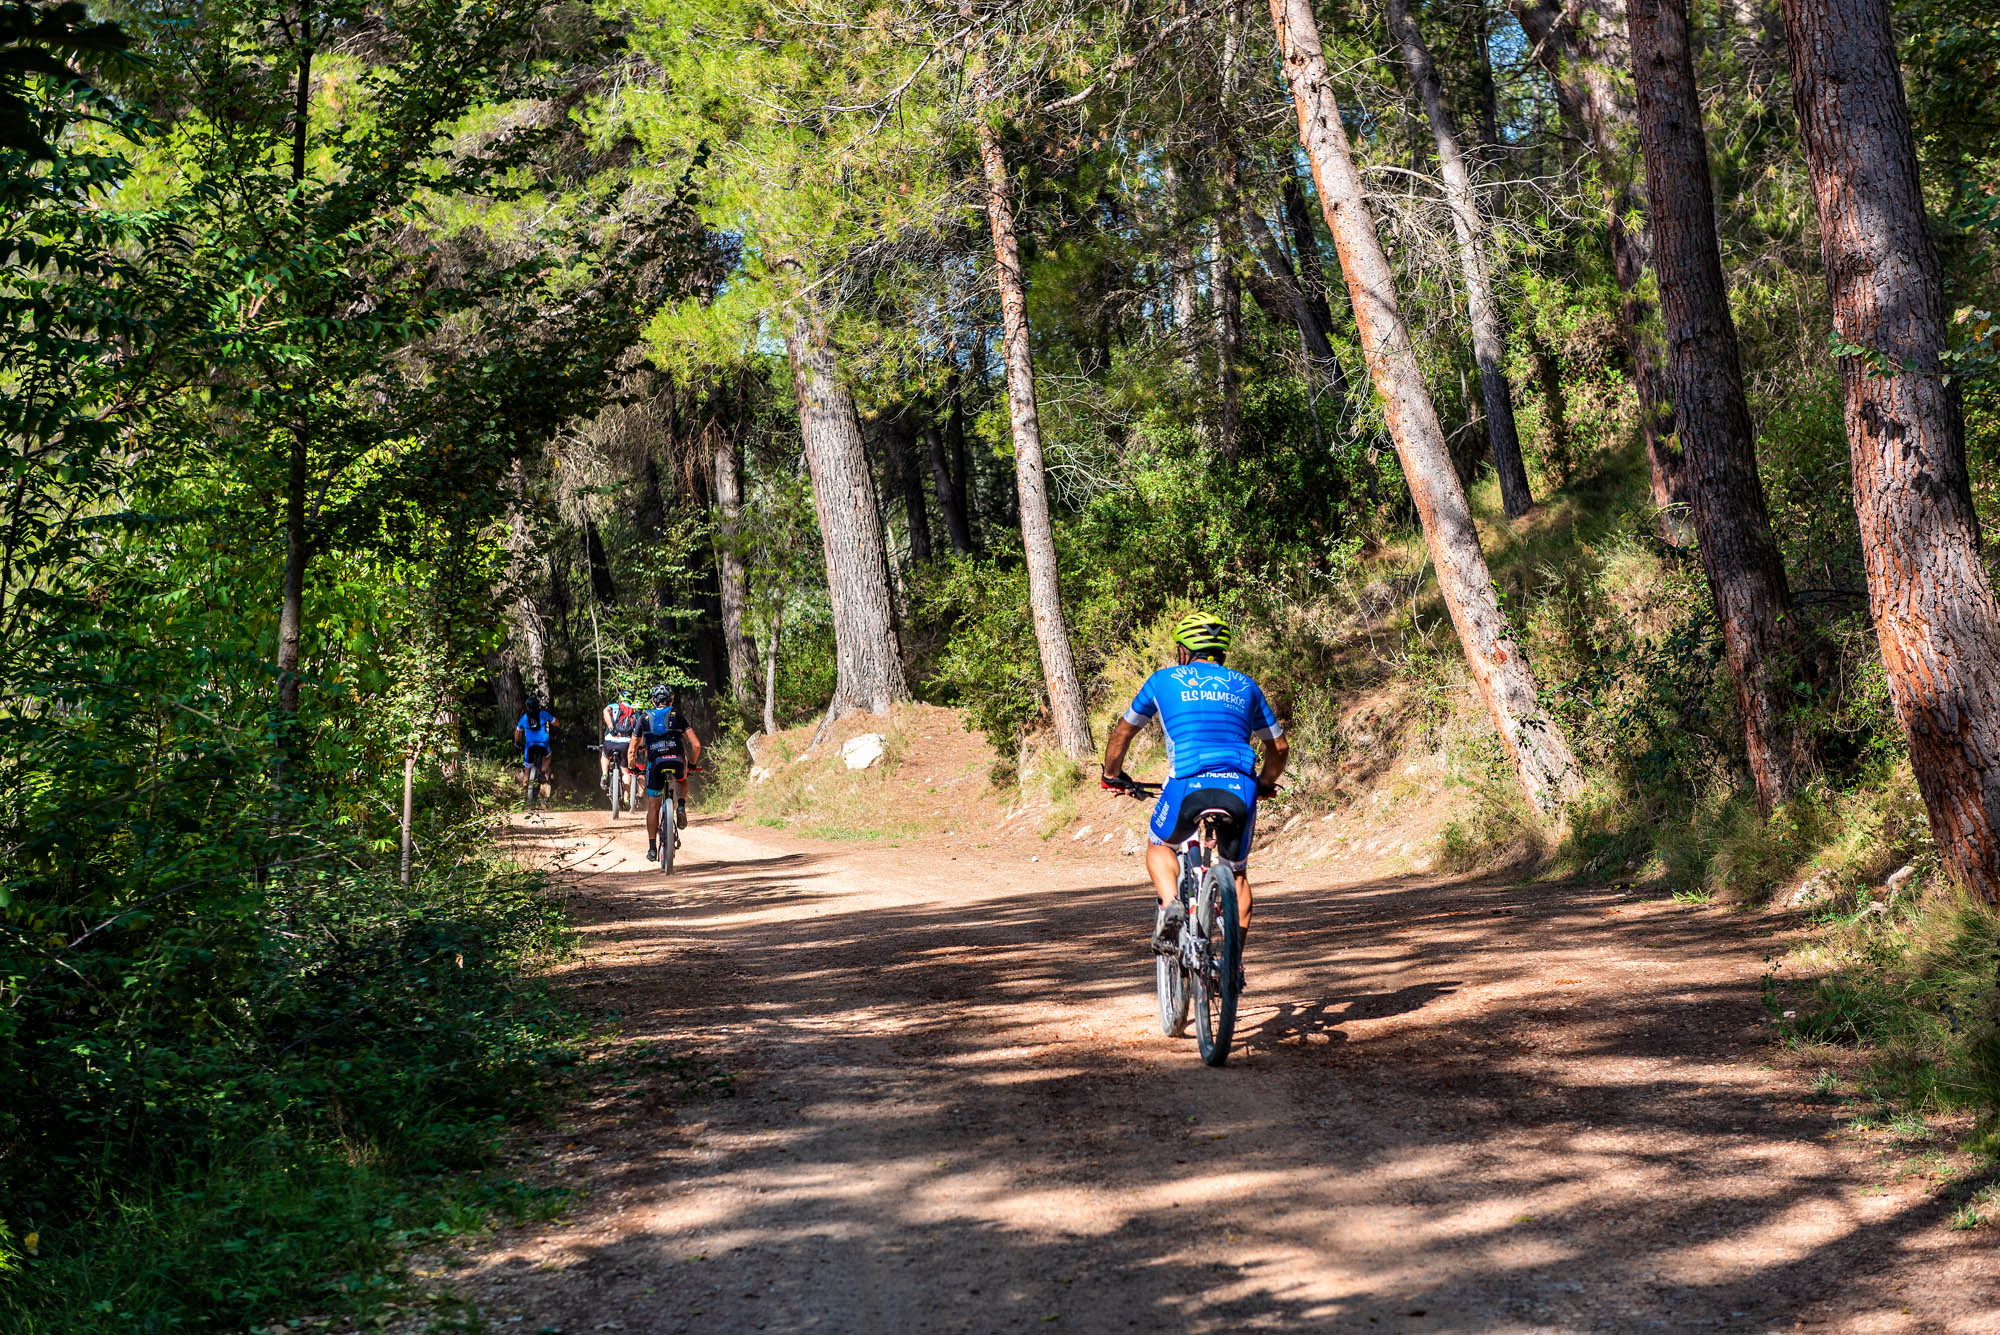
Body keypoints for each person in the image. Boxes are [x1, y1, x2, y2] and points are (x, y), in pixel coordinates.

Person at [1100, 611, 1288, 987]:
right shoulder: (1245, 685)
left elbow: (1123, 733)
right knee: (1236, 873)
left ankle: (1172, 903)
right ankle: (1232, 966)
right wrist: (1265, 783)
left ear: (1183, 652)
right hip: (1239, 786)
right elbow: (1279, 747)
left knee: (1159, 844)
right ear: (1222, 652)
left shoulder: (1162, 680)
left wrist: (1112, 775)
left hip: (1188, 784)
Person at [626, 684, 703, 863]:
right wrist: (692, 764)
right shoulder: (677, 715)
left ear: (653, 701)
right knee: (682, 779)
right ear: (671, 700)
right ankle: (681, 805)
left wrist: (632, 768)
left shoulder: (643, 718)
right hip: (676, 760)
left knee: (653, 806)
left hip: (655, 764)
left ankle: (652, 848)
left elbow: (632, 750)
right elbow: (696, 745)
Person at [514, 696, 558, 798]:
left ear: (527, 707)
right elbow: (556, 723)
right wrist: (554, 722)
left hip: (530, 746)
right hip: (543, 744)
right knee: (548, 755)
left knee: (527, 771)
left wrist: (517, 742)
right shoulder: (543, 714)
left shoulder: (524, 718)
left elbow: (517, 732)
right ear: (538, 705)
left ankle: (525, 795)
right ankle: (542, 772)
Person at [600, 693, 638, 790]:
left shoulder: (615, 706)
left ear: (621, 698)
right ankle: (626, 797)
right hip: (625, 743)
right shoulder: (635, 711)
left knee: (605, 755)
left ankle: (605, 774)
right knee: (625, 771)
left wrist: (611, 727)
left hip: (610, 740)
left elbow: (605, 711)